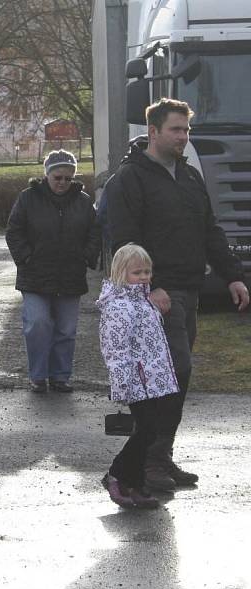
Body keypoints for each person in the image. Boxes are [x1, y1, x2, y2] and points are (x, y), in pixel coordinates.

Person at [106, 98, 249, 490]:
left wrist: (233, 276)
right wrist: (149, 289)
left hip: (190, 290)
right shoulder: (130, 179)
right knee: (172, 373)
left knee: (176, 379)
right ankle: (146, 462)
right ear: (153, 132)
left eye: (186, 130)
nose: (184, 137)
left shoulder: (189, 178)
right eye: (176, 130)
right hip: (156, 298)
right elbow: (124, 243)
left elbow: (210, 231)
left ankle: (159, 458)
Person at [5, 150, 101, 393]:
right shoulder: (28, 199)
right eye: (57, 177)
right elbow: (14, 231)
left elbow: (94, 232)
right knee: (37, 324)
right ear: (46, 175)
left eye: (68, 178)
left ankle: (60, 376)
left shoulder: (83, 202)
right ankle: (38, 375)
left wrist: (86, 256)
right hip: (35, 276)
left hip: (70, 276)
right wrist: (26, 257)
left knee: (66, 330)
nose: (62, 183)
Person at [97, 244, 180, 509]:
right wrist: (122, 383)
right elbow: (116, 349)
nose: (144, 277)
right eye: (137, 272)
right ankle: (117, 474)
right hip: (136, 381)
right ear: (122, 273)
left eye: (147, 271)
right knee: (145, 430)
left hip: (154, 380)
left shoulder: (145, 302)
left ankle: (134, 482)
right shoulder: (119, 307)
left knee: (150, 430)